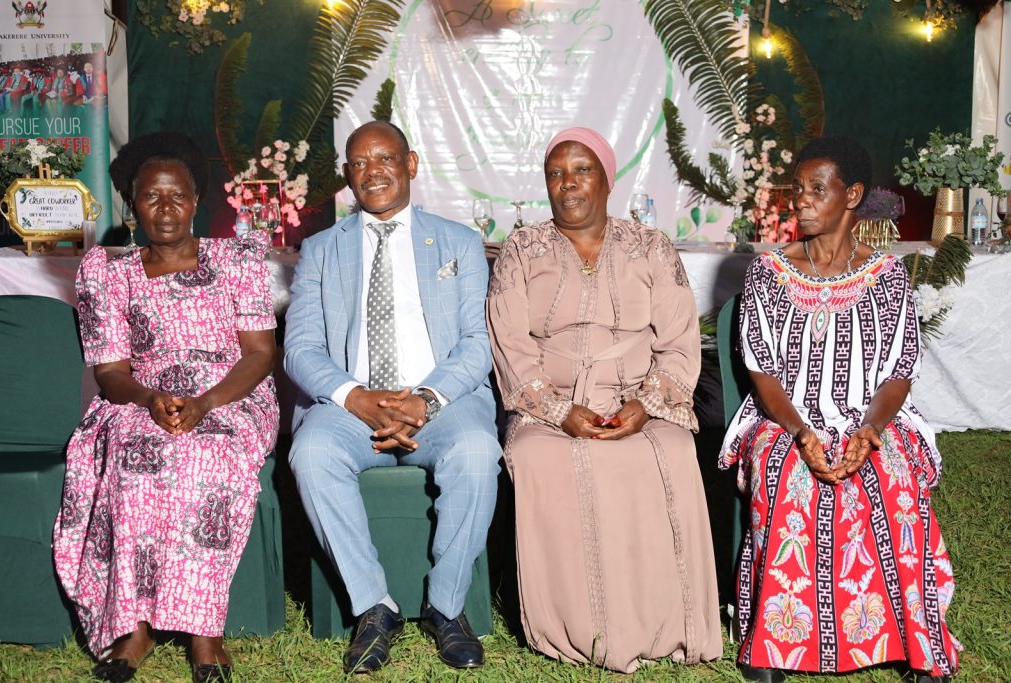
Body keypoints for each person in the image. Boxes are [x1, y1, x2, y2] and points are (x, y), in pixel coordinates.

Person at [719, 136, 959, 683]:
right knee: (786, 477)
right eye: (796, 189)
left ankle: (920, 647)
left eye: (815, 190)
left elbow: (900, 369)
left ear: (851, 195)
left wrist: (871, 430)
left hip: (871, 417)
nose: (799, 201)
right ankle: (773, 647)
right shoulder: (769, 272)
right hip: (785, 418)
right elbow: (762, 371)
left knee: (894, 478)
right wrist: (802, 433)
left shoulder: (887, 273)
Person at [487, 127, 723, 673]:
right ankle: (577, 628)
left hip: (641, 402)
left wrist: (646, 404)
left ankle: (669, 624)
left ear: (607, 179)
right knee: (540, 457)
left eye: (582, 170)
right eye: (556, 173)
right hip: (548, 406)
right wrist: (555, 410)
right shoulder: (522, 248)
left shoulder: (650, 247)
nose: (568, 184)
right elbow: (511, 344)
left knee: (669, 451)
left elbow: (679, 341)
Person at [52, 132, 279, 683]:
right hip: (141, 396)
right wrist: (150, 399)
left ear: (197, 201)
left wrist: (205, 403)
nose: (166, 208)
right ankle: (134, 627)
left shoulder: (238, 259)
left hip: (230, 393)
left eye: (177, 196)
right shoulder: (106, 271)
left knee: (206, 456)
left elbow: (260, 354)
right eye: (151, 197)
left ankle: (205, 634)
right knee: (135, 454)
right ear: (132, 205)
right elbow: (110, 372)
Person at [284, 121, 502, 673]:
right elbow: (301, 349)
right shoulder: (321, 250)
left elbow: (479, 344)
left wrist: (425, 399)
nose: (373, 171)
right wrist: (357, 398)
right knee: (311, 454)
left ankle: (446, 607)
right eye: (359, 163)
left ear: (411, 163)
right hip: (352, 407)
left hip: (441, 405)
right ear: (346, 177)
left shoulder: (459, 242)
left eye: (385, 159)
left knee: (478, 453)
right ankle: (373, 605)